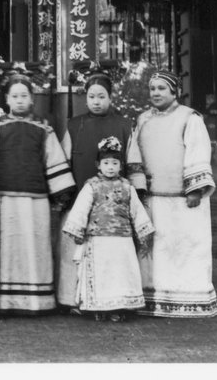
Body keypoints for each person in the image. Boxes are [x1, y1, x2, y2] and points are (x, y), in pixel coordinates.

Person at [0, 73, 75, 314]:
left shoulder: (43, 128)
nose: (19, 100)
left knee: (35, 247)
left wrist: (61, 195)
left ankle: (38, 300)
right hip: (2, 201)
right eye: (15, 96)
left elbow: (54, 160)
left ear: (32, 100)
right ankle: (2, 302)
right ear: (7, 98)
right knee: (3, 249)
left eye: (24, 96)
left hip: (35, 201)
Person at [126, 70, 217, 318]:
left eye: (161, 88)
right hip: (153, 198)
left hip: (183, 198)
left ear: (174, 91)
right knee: (156, 250)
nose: (156, 93)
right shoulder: (142, 119)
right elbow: (135, 154)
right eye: (152, 88)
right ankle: (153, 300)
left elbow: (198, 152)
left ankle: (191, 300)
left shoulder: (190, 118)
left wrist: (195, 189)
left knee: (186, 248)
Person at [56, 69, 134, 311]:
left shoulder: (123, 125)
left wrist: (135, 194)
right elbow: (62, 161)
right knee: (74, 250)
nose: (96, 102)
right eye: (91, 97)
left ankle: (111, 300)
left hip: (113, 205)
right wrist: (64, 192)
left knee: (110, 255)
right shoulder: (74, 125)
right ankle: (72, 299)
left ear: (111, 97)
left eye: (101, 96)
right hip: (79, 196)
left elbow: (133, 161)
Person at [61, 136, 154, 321]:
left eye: (114, 163)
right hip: (97, 240)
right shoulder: (91, 186)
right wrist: (77, 230)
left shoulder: (128, 187)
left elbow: (136, 210)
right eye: (106, 162)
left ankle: (119, 307)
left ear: (121, 165)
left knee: (120, 273)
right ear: (98, 164)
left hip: (122, 241)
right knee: (101, 272)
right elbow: (81, 209)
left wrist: (143, 232)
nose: (110, 167)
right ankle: (98, 307)